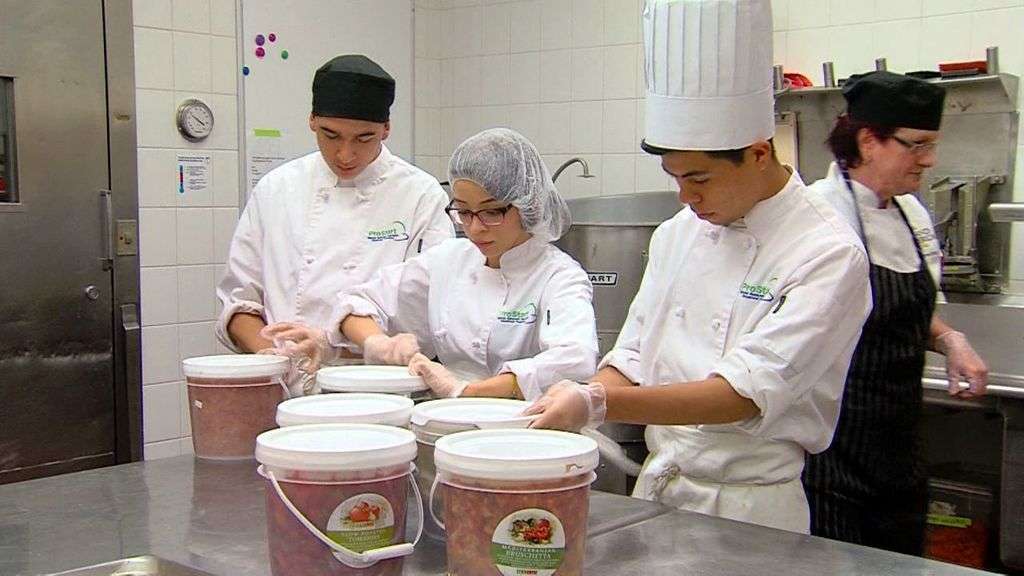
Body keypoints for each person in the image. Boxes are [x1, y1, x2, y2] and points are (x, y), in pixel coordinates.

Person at [525, 0, 872, 534]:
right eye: (674, 177)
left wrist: (595, 402)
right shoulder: (678, 233)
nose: (685, 196)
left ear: (759, 153)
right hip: (660, 493)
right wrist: (578, 399)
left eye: (700, 178)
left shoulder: (827, 253)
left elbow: (740, 395)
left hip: (750, 512)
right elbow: (635, 352)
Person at [802, 70, 989, 555]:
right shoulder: (819, 217)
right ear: (869, 141)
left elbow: (903, 309)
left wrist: (950, 339)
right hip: (834, 457)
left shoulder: (911, 212)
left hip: (900, 450)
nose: (930, 160)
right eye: (917, 145)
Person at [269, 128, 598, 401]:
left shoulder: (558, 276)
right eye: (464, 211)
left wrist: (467, 391)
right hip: (442, 425)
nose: (475, 227)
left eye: (492, 211)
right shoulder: (451, 260)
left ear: (528, 203)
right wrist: (378, 343)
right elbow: (360, 302)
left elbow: (574, 360)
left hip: (523, 432)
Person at [216, 54, 454, 395]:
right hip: (287, 386)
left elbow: (434, 312)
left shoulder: (420, 195)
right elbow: (239, 301)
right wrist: (275, 355)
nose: (345, 154)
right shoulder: (277, 188)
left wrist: (340, 344)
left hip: (378, 391)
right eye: (331, 135)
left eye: (364, 138)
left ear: (386, 129)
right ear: (312, 120)